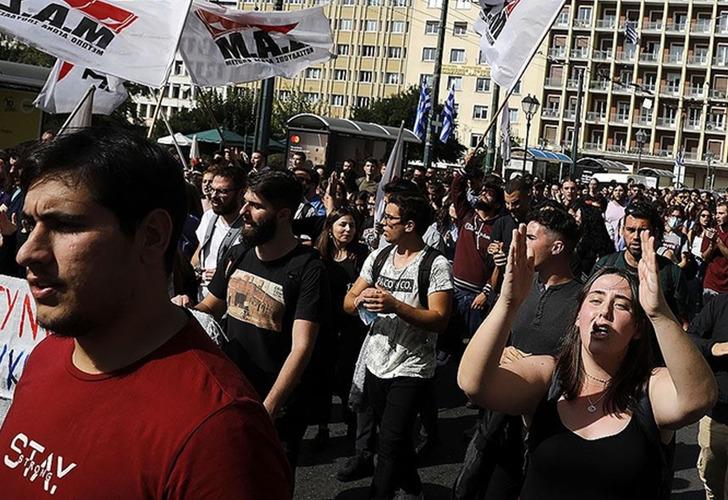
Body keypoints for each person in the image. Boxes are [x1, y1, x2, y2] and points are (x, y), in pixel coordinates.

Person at [0, 128, 291, 498]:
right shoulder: (47, 354)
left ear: (152, 235)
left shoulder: (220, 434)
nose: (26, 252)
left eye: (65, 225)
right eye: (30, 224)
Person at [458, 224, 717, 499]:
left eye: (620, 305)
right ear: (578, 315)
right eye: (595, 300)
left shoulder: (649, 388)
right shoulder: (549, 375)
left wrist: (658, 312)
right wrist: (508, 303)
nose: (604, 312)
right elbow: (474, 383)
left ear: (638, 328)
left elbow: (698, 399)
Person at [194, 169, 328, 471]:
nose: (244, 212)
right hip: (230, 396)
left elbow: (301, 347)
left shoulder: (308, 269)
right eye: (245, 202)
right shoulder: (238, 252)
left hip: (276, 408)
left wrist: (270, 407)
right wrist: (184, 310)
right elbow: (211, 307)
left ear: (282, 215)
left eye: (255, 206)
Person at [454, 206, 582, 500]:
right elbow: (492, 341)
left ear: (557, 246)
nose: (521, 245)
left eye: (531, 238)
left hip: (546, 426)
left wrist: (533, 366)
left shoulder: (583, 300)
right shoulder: (518, 288)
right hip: (499, 417)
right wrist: (501, 353)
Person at [344, 192, 453, 500]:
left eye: (389, 219)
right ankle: (415, 489)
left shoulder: (435, 264)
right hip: (376, 362)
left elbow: (440, 319)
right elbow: (348, 302)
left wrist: (395, 305)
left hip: (413, 367)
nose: (382, 224)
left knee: (389, 442)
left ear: (409, 225)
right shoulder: (378, 257)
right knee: (398, 437)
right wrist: (362, 300)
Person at [592, 201, 688, 325]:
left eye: (643, 231)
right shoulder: (605, 265)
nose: (636, 236)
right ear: (622, 231)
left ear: (655, 232)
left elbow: (683, 322)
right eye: (631, 230)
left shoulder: (672, 273)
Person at [689, 293, 728, 500]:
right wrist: (714, 348)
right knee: (712, 479)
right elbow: (689, 338)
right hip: (717, 415)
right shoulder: (720, 304)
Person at [191, 165, 245, 301]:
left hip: (227, 302)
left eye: (223, 192)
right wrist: (193, 272)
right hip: (200, 297)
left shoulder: (249, 228)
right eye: (213, 190)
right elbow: (200, 251)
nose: (214, 196)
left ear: (241, 193)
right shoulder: (209, 217)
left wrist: (223, 275)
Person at [702, 200, 728, 305]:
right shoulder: (711, 232)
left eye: (721, 213)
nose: (717, 216)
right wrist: (712, 245)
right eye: (717, 213)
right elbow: (704, 257)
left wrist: (718, 242)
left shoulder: (718, 236)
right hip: (711, 283)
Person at [605, 183, 627, 249]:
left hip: (622, 242)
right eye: (616, 190)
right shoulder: (607, 206)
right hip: (608, 239)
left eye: (620, 190)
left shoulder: (627, 208)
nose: (618, 193)